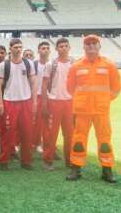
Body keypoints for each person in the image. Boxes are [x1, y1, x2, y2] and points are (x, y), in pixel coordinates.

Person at [66, 35, 121, 183]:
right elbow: (70, 88)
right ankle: (76, 168)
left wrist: (104, 100)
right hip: (82, 110)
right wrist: (82, 100)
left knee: (104, 141)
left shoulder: (109, 65)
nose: (91, 46)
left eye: (93, 43)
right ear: (84, 47)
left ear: (99, 46)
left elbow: (116, 88)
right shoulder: (76, 66)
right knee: (78, 140)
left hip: (101, 111)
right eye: (88, 44)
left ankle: (107, 169)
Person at [0, 38, 37, 171]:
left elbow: (33, 83)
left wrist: (34, 101)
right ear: (10, 48)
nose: (18, 49)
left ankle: (26, 161)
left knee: (27, 133)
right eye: (15, 47)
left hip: (26, 101)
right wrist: (1, 103)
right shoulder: (4, 65)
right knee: (7, 133)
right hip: (9, 102)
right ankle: (4, 161)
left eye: (20, 47)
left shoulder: (28, 63)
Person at [40, 37, 73, 171]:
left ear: (69, 48)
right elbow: (44, 84)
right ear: (57, 49)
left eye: (66, 46)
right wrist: (44, 103)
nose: (63, 48)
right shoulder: (51, 64)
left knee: (69, 134)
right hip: (54, 102)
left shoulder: (74, 64)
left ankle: (69, 160)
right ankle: (48, 160)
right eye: (61, 46)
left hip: (69, 102)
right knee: (51, 134)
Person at [32, 42, 51, 154]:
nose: (46, 50)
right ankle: (37, 143)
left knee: (48, 122)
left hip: (49, 96)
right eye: (43, 48)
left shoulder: (53, 64)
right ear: (38, 51)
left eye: (48, 48)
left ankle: (48, 144)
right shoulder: (34, 65)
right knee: (37, 122)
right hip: (37, 95)